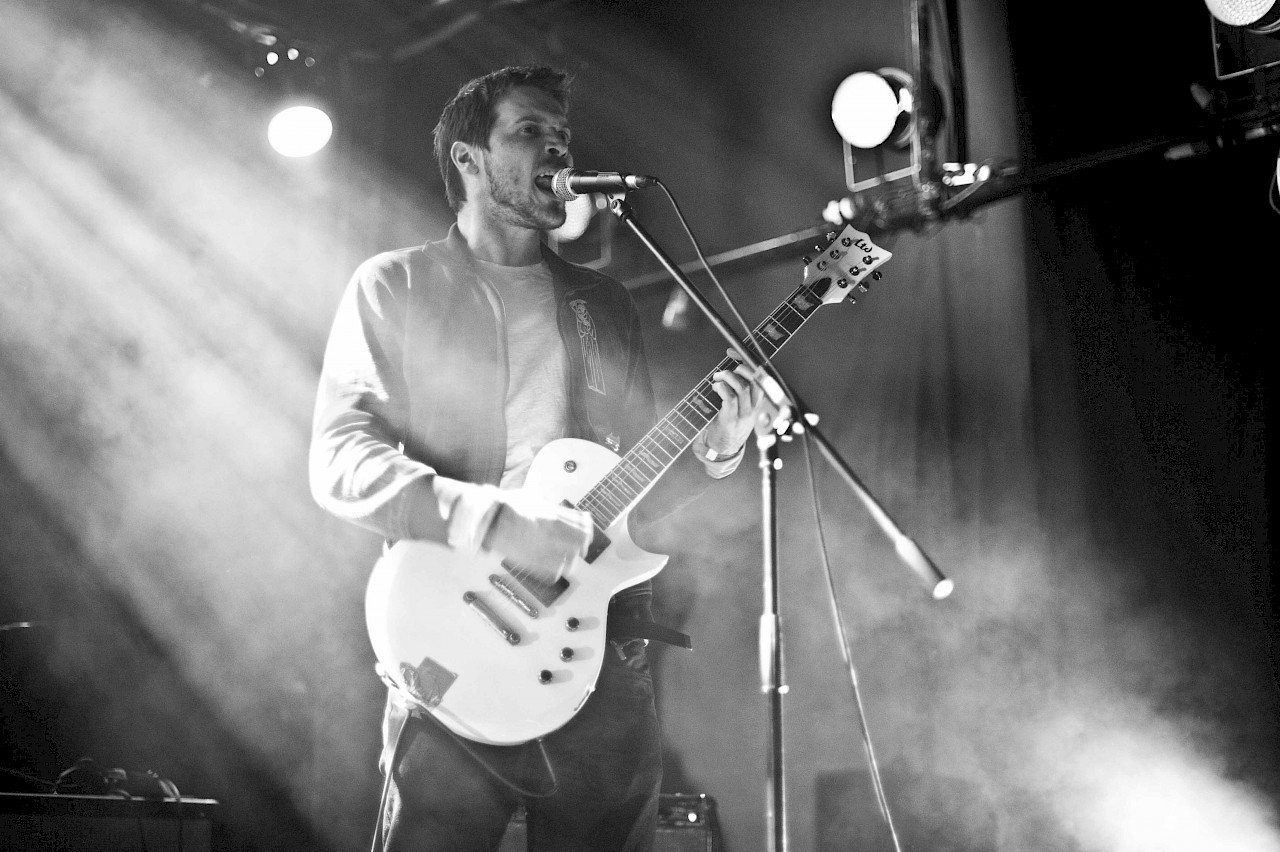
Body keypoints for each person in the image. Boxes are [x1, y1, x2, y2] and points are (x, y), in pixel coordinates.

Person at [309, 65, 765, 852]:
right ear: (468, 159)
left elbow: (629, 496)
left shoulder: (604, 305)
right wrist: (494, 521)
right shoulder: (398, 285)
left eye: (563, 136)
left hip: (598, 664)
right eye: (530, 131)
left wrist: (716, 456)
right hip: (452, 640)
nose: (559, 150)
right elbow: (342, 458)